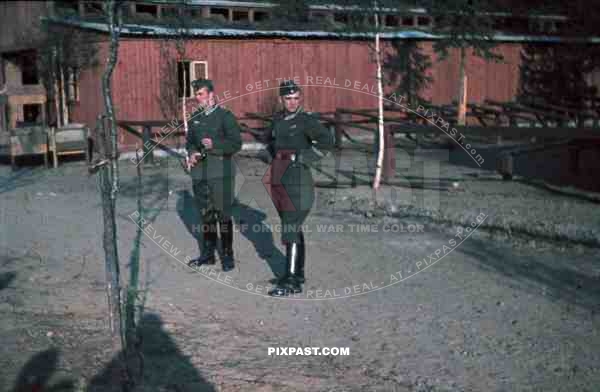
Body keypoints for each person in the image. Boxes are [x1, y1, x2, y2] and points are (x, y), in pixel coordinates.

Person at [262, 80, 334, 297]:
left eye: (295, 98)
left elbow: (326, 141)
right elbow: (269, 141)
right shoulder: (277, 120)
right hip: (279, 177)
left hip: (298, 180)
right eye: (288, 99)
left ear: (299, 98)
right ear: (281, 99)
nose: (292, 102)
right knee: (289, 223)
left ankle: (292, 282)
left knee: (291, 226)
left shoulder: (306, 120)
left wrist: (303, 158)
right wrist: (275, 158)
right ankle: (297, 273)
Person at [186, 79, 242, 272]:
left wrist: (215, 145)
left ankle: (227, 256)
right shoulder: (194, 118)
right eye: (196, 95)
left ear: (211, 95)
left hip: (221, 173)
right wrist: (192, 152)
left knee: (223, 214)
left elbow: (236, 144)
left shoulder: (225, 116)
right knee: (206, 214)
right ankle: (208, 255)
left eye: (201, 94)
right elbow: (190, 142)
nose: (198, 98)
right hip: (200, 173)